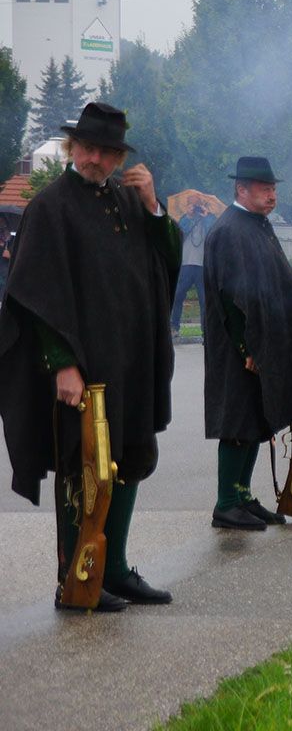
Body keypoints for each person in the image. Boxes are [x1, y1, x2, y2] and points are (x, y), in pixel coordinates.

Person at [0, 102, 181, 612]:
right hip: (82, 371)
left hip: (130, 362)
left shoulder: (127, 202)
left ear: (120, 157)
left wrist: (152, 206)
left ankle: (115, 569)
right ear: (71, 147)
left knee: (127, 460)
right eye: (87, 148)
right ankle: (76, 579)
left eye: (106, 151)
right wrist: (62, 363)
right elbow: (33, 294)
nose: (95, 159)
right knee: (82, 472)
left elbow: (167, 259)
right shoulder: (50, 207)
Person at [202, 157, 292, 531]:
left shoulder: (255, 225)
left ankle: (242, 495)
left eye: (273, 189)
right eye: (264, 189)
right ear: (241, 190)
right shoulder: (230, 231)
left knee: (256, 420)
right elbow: (230, 299)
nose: (272, 195)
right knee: (236, 422)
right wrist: (247, 348)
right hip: (239, 350)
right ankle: (226, 503)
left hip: (261, 346)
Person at [171, 196, 217, 338]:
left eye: (197, 205)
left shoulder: (208, 219)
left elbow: (214, 233)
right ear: (187, 206)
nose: (195, 208)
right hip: (186, 264)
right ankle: (174, 327)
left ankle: (206, 331)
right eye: (192, 205)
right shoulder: (184, 219)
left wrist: (206, 217)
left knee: (204, 300)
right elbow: (179, 233)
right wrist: (189, 217)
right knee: (178, 296)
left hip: (202, 266)